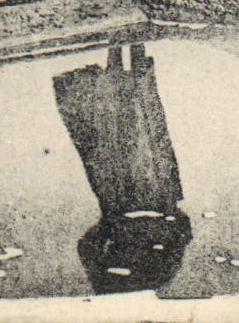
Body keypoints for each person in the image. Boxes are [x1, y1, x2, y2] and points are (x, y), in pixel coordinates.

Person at [53, 44, 193, 293]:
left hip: (141, 198)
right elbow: (87, 247)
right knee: (124, 131)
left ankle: (128, 51)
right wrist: (110, 223)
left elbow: (183, 233)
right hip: (127, 198)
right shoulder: (135, 281)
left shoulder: (148, 280)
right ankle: (121, 53)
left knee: (138, 128)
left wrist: (112, 224)